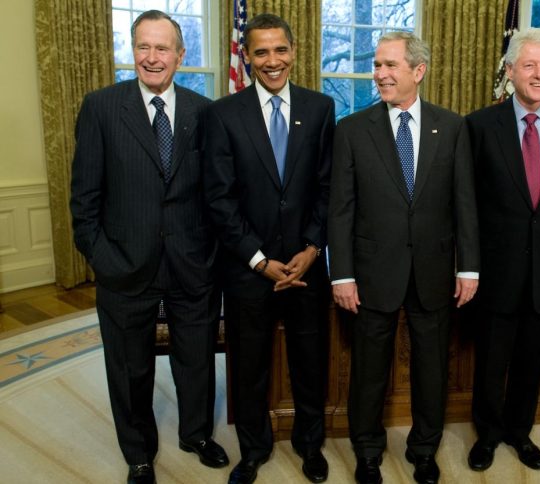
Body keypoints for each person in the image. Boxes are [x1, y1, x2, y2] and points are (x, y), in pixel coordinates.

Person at [69, 10, 226, 484]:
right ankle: (138, 452)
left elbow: (216, 194)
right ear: (132, 51)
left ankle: (196, 434)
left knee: (196, 358)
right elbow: (84, 198)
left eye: (163, 49)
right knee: (129, 368)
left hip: (192, 265)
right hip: (124, 266)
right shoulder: (101, 107)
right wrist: (102, 257)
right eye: (144, 47)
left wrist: (211, 256)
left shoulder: (205, 112)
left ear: (181, 56)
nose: (152, 58)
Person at [327, 31, 480, 484]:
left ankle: (424, 451)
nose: (380, 74)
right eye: (377, 65)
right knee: (369, 371)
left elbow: (464, 203)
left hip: (434, 272)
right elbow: (341, 209)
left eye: (390, 65)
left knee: (432, 370)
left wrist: (468, 267)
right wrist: (342, 276)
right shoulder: (352, 130)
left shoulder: (452, 127)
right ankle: (368, 451)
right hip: (372, 273)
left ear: (418, 71)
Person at [203, 13, 335, 484]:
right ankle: (254, 451)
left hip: (305, 267)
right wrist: (259, 260)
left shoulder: (320, 108)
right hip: (248, 270)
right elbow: (218, 199)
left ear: (294, 51)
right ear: (247, 56)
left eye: (280, 50)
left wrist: (313, 248)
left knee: (309, 363)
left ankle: (309, 445)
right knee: (249, 366)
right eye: (261, 52)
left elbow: (326, 188)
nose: (272, 60)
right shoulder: (222, 114)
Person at [464, 27, 540, 473]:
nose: (539, 75)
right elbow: (469, 200)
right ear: (511, 69)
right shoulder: (479, 125)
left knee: (532, 361)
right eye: (530, 65)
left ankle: (520, 432)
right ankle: (488, 434)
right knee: (492, 360)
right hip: (497, 268)